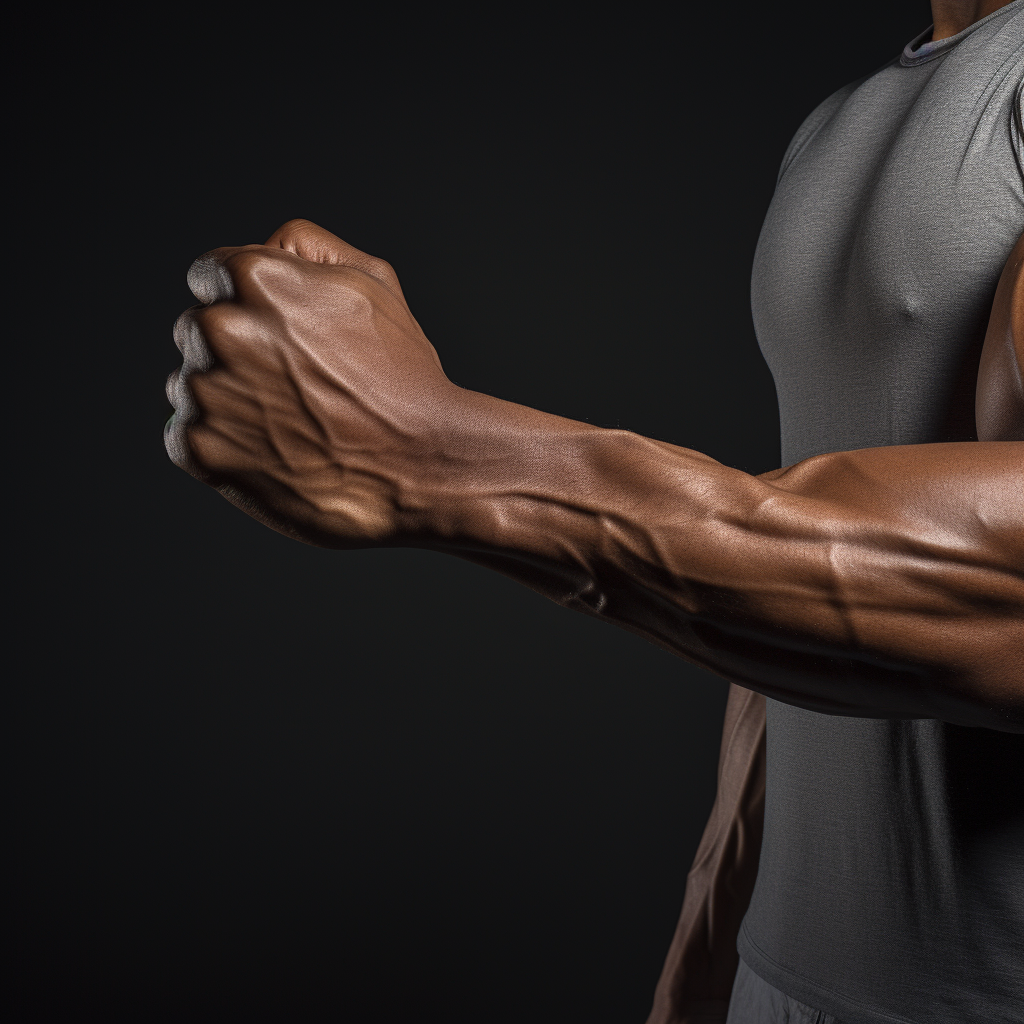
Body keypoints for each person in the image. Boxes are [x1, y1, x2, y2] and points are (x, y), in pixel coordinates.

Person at [164, 1, 1023, 1020]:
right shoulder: (836, 124)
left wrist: (434, 448)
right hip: (774, 979)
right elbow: (793, 573)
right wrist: (701, 954)